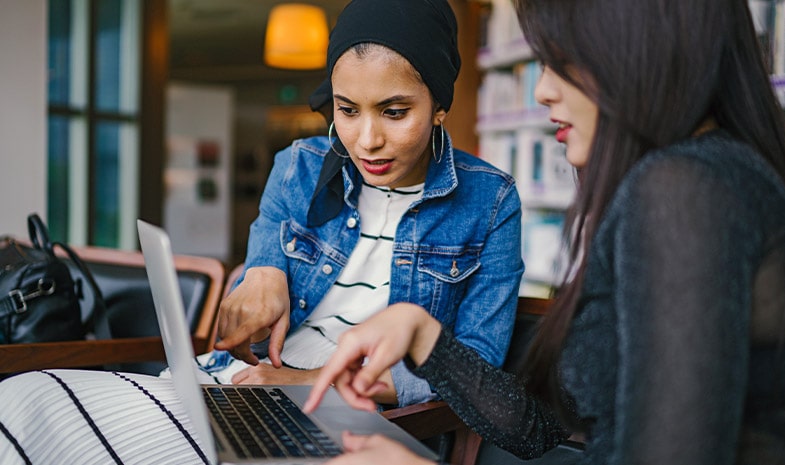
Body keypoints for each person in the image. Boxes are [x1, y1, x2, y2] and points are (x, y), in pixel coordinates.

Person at [0, 1, 524, 463]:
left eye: (394, 112)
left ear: (439, 107)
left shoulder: (490, 201)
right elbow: (250, 300)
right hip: (236, 385)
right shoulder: (299, 165)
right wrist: (260, 276)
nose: (367, 140)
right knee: (23, 399)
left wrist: (309, 383)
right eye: (346, 110)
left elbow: (471, 374)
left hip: (352, 420)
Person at [304, 0, 785, 464]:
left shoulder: (684, 190)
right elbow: (542, 430)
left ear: (641, 45)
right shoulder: (707, 176)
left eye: (562, 60)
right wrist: (424, 336)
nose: (542, 91)